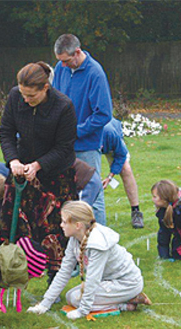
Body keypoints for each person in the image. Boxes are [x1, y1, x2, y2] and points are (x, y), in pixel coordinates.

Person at [0, 61, 78, 284]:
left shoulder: (64, 106)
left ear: (45, 88)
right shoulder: (15, 97)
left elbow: (64, 147)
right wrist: (13, 160)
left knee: (55, 229)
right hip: (21, 172)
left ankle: (55, 279)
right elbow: (6, 132)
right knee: (13, 223)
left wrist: (38, 165)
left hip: (56, 175)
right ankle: (10, 273)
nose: (25, 100)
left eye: (31, 96)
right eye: (23, 94)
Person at [27, 201, 151, 319]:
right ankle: (125, 299)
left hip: (126, 283)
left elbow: (92, 279)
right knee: (70, 296)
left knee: (77, 299)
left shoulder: (97, 244)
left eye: (64, 222)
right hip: (108, 281)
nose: (61, 225)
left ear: (77, 225)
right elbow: (64, 271)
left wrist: (83, 310)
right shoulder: (74, 238)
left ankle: (124, 304)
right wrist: (45, 304)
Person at [53, 33, 113, 226]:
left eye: (66, 60)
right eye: (60, 61)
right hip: (62, 144)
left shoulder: (95, 73)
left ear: (77, 52)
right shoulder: (61, 69)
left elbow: (103, 113)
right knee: (65, 194)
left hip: (86, 145)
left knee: (93, 197)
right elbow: (54, 100)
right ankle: (71, 241)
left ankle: (100, 243)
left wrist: (75, 131)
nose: (62, 65)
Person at [101, 118, 144, 228]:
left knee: (125, 169)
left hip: (111, 142)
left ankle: (136, 212)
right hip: (87, 146)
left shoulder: (109, 133)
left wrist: (110, 177)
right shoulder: (81, 133)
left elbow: (121, 156)